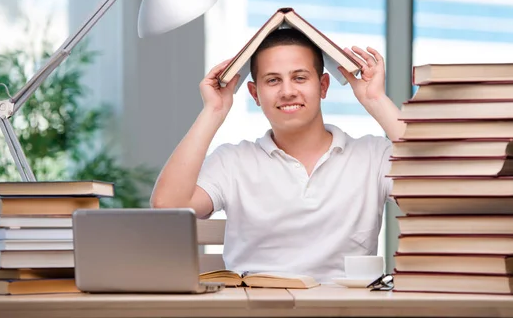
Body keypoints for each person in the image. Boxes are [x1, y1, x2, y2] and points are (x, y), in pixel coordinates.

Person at [150, 28, 406, 282]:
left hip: (344, 310)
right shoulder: (232, 160)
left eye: (300, 78)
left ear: (323, 86)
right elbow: (167, 206)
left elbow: (441, 188)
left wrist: (375, 99)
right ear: (254, 94)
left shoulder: (374, 155)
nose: (287, 91)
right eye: (273, 80)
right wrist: (213, 111)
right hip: (253, 310)